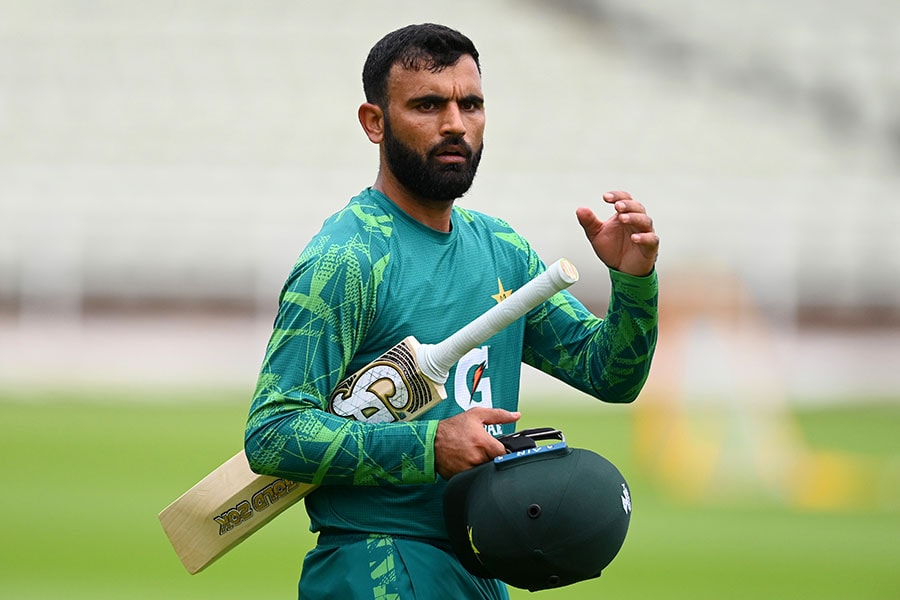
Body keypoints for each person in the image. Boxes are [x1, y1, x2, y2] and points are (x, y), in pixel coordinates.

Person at [244, 22, 659, 600]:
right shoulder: (349, 256)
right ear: (374, 122)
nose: (455, 124)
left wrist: (634, 282)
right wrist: (430, 446)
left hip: (485, 563)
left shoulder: (501, 248)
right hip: (377, 567)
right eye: (428, 105)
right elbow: (274, 433)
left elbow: (612, 376)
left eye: (471, 104)